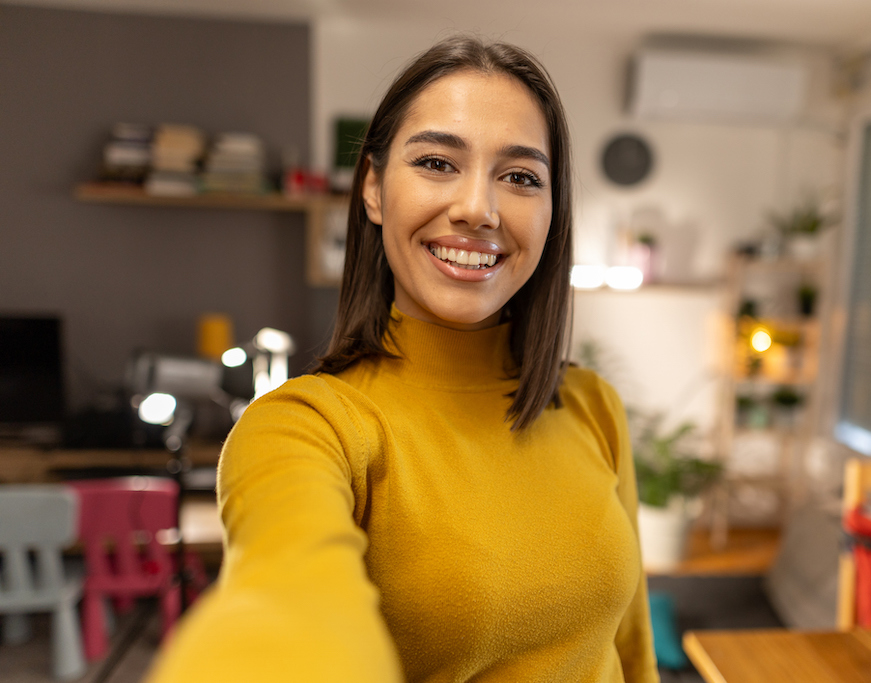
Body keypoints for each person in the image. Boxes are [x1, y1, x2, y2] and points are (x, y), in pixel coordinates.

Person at [147, 35, 658, 683]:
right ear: (373, 188)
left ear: (553, 212)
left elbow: (633, 650)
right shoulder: (304, 428)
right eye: (438, 163)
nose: (478, 209)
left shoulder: (591, 405)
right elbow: (286, 597)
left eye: (521, 177)